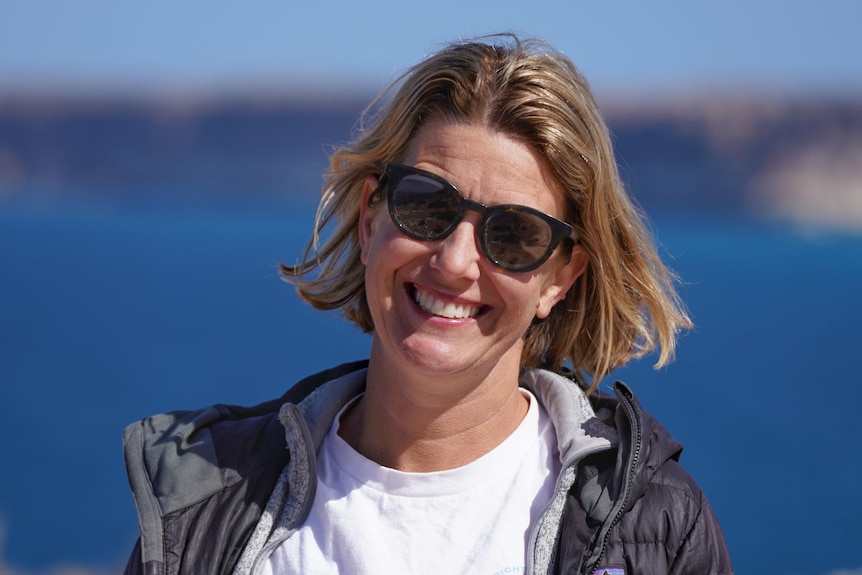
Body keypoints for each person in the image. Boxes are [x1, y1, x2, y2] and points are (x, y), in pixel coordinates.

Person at [122, 34, 733, 574]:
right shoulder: (206, 507)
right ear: (369, 218)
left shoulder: (655, 530)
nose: (454, 261)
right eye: (427, 205)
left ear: (560, 279)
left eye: (515, 234)